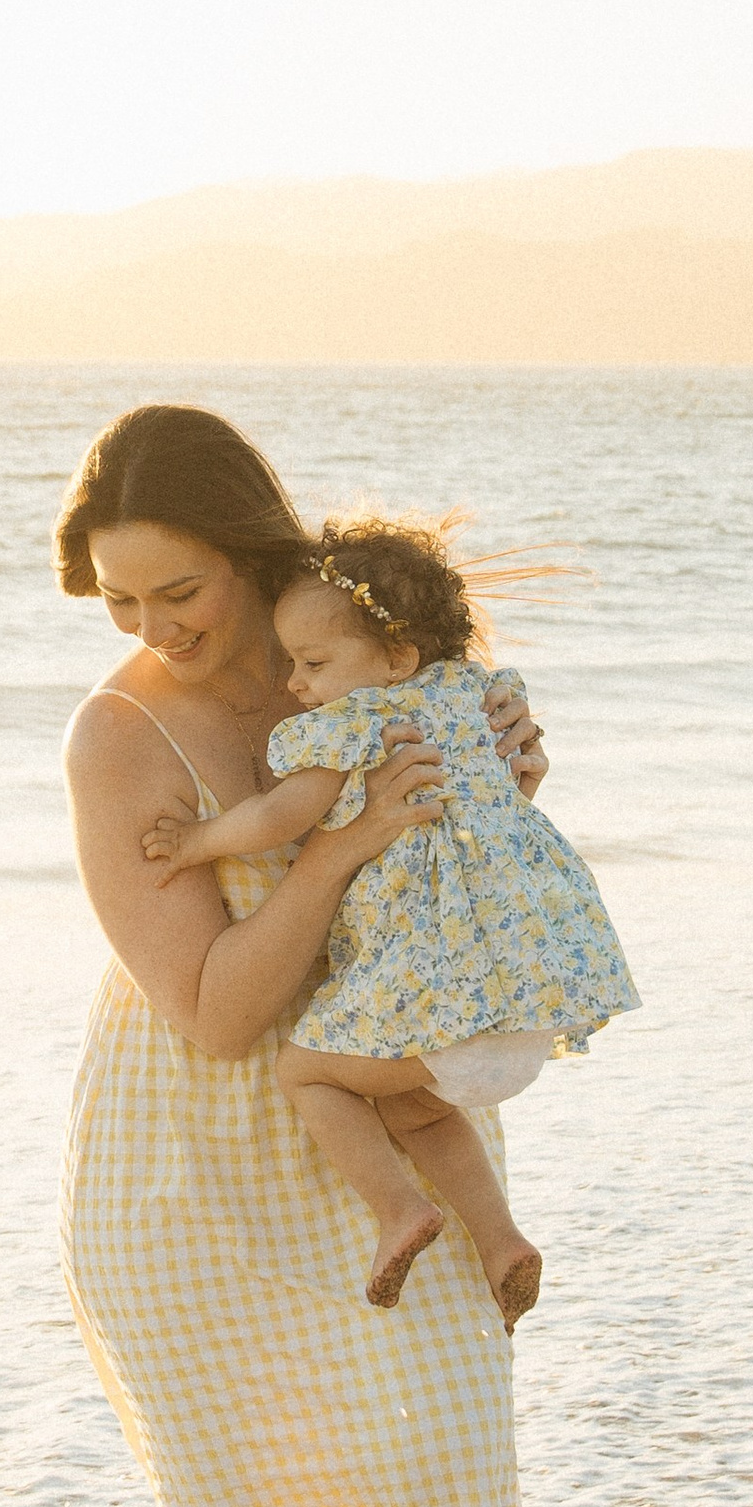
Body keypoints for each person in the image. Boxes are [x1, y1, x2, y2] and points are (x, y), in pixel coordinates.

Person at [56, 403, 558, 1507]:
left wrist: (496, 790)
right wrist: (334, 843)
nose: (156, 627)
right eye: (121, 599)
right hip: (191, 1166)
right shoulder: (118, 736)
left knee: (436, 1472)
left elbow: (455, 874)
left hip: (375, 1129)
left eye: (182, 593)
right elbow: (211, 1015)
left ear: (250, 555)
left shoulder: (353, 654)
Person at [141, 514, 638, 1323]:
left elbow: (280, 817)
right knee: (418, 1106)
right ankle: (502, 1238)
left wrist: (197, 841)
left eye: (313, 662)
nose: (296, 684)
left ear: (397, 658)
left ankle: (400, 1211)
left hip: (446, 1013)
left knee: (307, 1072)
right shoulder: (483, 698)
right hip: (522, 1013)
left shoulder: (366, 721)